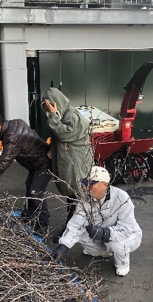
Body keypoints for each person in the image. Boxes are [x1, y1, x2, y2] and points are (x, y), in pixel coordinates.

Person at [51, 166, 142, 276]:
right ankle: (102, 252)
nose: (87, 187)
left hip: (129, 235)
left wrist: (105, 233)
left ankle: (122, 264)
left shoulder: (121, 198)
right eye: (86, 183)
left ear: (105, 184)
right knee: (82, 234)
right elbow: (76, 224)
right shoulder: (86, 199)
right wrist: (63, 246)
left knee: (117, 242)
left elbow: (127, 229)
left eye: (92, 184)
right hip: (101, 231)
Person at [0, 111, 52, 233]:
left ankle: (43, 224)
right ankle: (29, 215)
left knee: (35, 192)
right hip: (36, 164)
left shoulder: (12, 136)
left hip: (43, 163)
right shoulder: (13, 124)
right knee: (30, 186)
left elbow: (3, 163)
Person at [41, 87, 94, 242]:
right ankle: (75, 228)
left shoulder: (73, 117)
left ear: (58, 104)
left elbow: (64, 134)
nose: (48, 112)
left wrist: (53, 116)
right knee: (74, 197)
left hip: (77, 165)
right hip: (71, 164)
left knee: (77, 196)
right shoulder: (63, 116)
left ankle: (72, 231)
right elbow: (57, 136)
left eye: (50, 107)